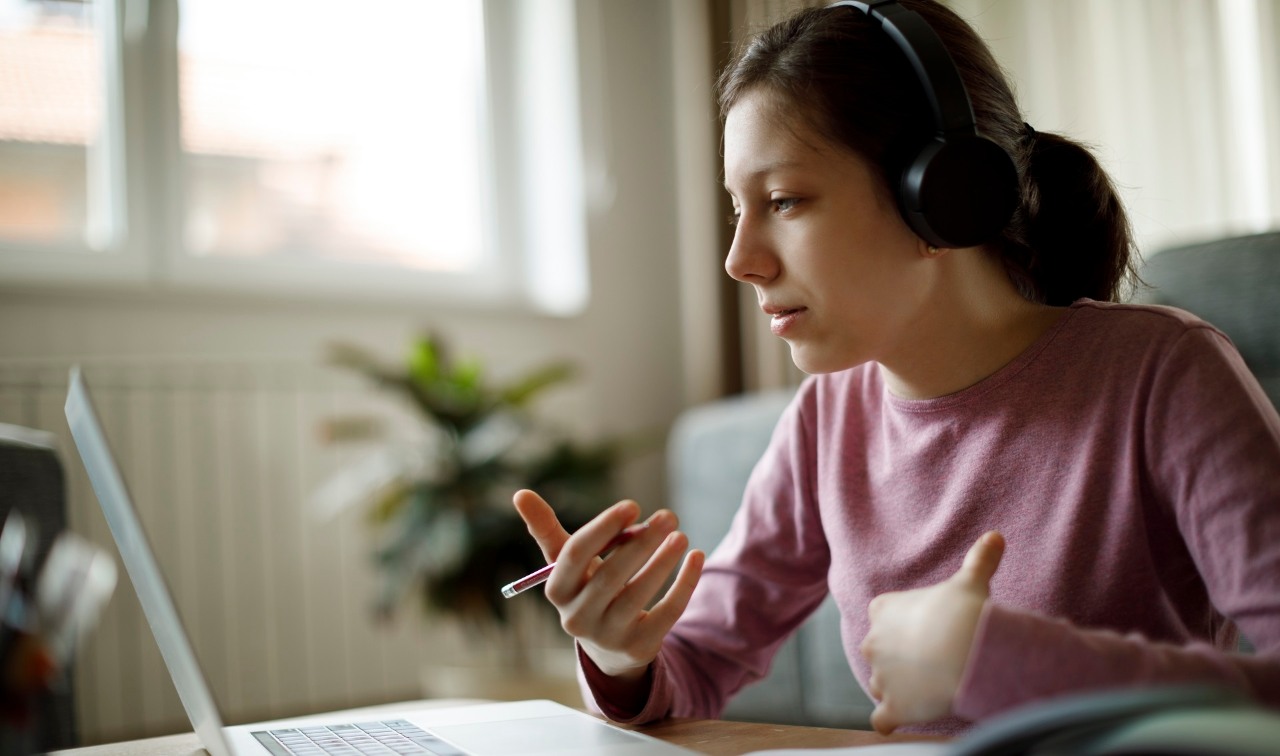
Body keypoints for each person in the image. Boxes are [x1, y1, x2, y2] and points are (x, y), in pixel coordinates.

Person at [512, 0, 1280, 737]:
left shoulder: (1163, 375)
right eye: (735, 210)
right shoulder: (826, 419)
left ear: (942, 199)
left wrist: (1025, 667)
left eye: (783, 200)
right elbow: (699, 664)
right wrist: (621, 653)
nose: (739, 261)